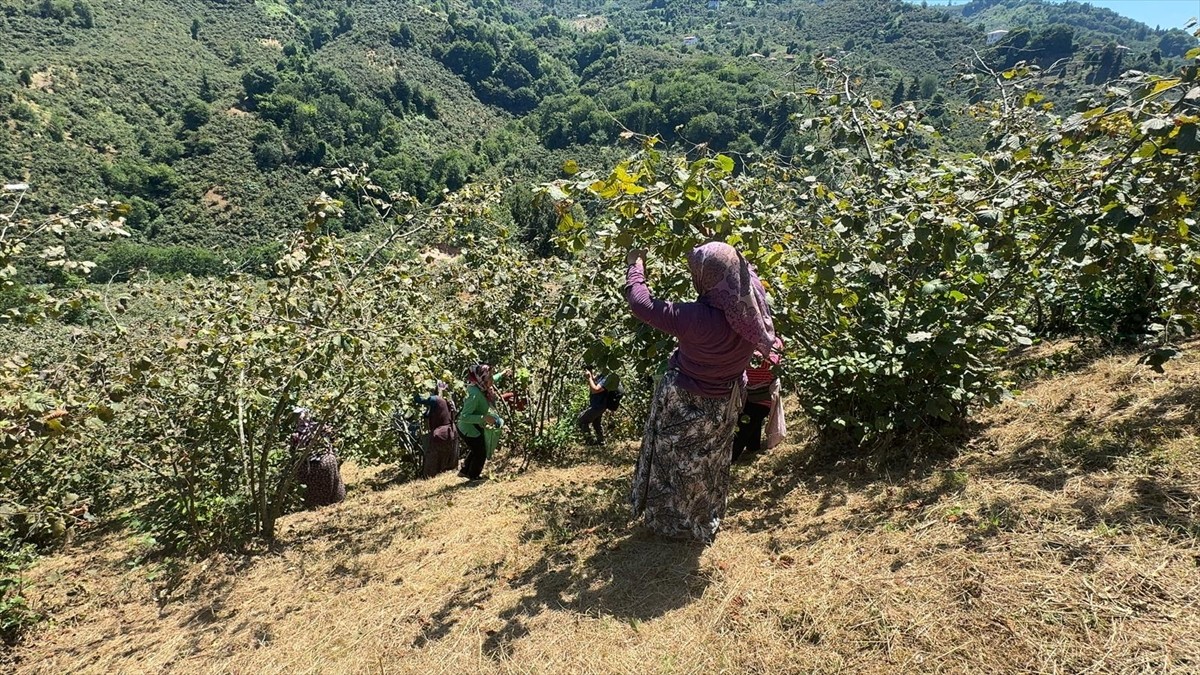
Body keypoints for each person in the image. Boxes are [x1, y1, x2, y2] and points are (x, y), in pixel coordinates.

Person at [626, 242, 775, 543]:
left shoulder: (696, 318)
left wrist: (635, 266)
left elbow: (641, 304)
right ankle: (703, 517)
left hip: (686, 400)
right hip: (725, 403)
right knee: (709, 462)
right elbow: (741, 272)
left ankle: (673, 524)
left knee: (674, 463)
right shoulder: (750, 309)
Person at [732, 341, 782, 462]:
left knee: (744, 426)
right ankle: (753, 447)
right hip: (751, 394)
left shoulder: (773, 344)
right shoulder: (747, 342)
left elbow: (773, 361)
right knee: (752, 420)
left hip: (763, 396)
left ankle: (730, 458)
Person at [291, 406, 346, 508]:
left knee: (316, 488)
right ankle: (332, 502)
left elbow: (294, 451)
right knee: (331, 483)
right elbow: (332, 438)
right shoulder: (319, 427)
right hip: (325, 460)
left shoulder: (296, 434)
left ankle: (319, 505)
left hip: (312, 464)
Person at [456, 364, 504, 481]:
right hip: (467, 428)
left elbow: (492, 379)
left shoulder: (480, 385)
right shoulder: (474, 394)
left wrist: (503, 374)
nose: (492, 381)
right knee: (480, 452)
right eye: (490, 378)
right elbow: (464, 416)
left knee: (476, 448)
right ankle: (473, 476)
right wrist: (484, 417)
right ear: (482, 378)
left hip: (473, 426)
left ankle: (464, 471)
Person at [414, 381, 458, 478]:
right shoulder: (448, 400)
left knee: (432, 464)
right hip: (451, 432)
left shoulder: (437, 399)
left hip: (441, 434)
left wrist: (413, 386)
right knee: (446, 462)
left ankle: (429, 479)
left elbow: (419, 399)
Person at [577, 369, 619, 445]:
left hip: (599, 405)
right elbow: (595, 380)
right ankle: (601, 441)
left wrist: (589, 378)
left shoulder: (607, 378)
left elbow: (595, 390)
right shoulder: (602, 375)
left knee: (582, 419)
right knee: (596, 423)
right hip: (597, 404)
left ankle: (589, 442)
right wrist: (590, 375)